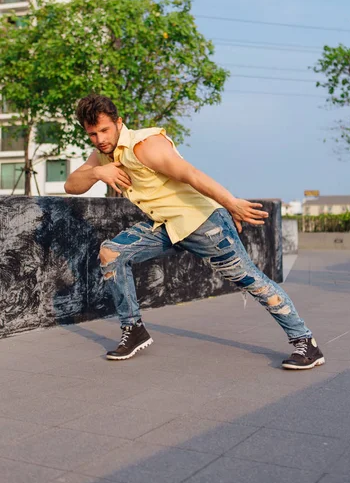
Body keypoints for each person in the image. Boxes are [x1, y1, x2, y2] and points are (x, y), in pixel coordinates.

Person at [64, 94, 325, 370]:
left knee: (250, 279)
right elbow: (71, 185)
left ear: (119, 123)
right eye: (92, 134)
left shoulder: (144, 146)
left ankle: (306, 342)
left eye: (104, 130)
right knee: (111, 252)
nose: (100, 139)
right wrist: (97, 173)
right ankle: (134, 329)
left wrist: (231, 203)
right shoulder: (103, 154)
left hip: (203, 224)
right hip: (166, 227)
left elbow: (191, 174)